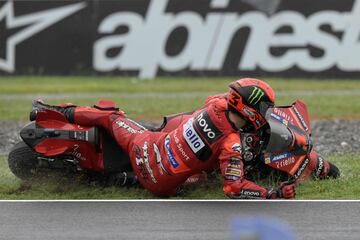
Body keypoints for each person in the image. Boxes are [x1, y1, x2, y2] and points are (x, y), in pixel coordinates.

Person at [31, 78, 339, 199]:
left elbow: (217, 98)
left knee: (111, 116)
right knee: (203, 176)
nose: (266, 111)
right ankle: (124, 180)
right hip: (161, 185)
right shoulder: (231, 144)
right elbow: (234, 188)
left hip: (146, 146)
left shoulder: (216, 105)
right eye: (263, 107)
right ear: (247, 109)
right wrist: (271, 194)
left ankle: (52, 110)